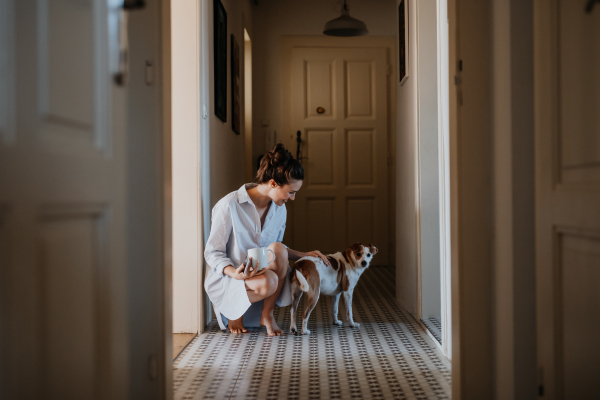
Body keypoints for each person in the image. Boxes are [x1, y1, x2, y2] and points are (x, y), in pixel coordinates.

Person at [204, 143, 330, 336]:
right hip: (232, 280)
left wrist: (303, 254)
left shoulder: (280, 210)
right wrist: (235, 273)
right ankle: (233, 313)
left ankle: (267, 314)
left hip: (262, 279)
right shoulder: (229, 205)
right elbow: (213, 253)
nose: (293, 198)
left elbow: (275, 249)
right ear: (273, 183)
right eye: (291, 192)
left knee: (278, 251)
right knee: (269, 281)